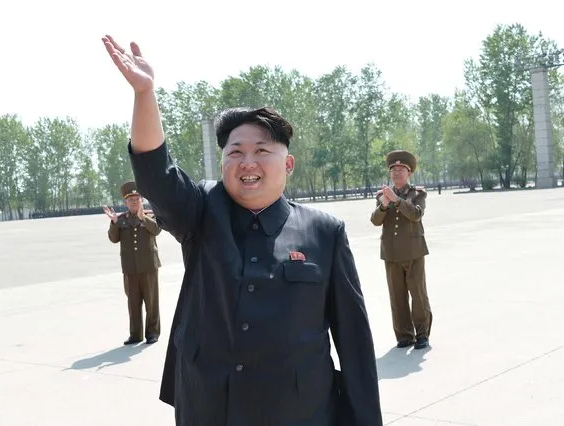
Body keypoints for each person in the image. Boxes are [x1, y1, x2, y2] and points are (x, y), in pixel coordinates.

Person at [102, 34, 383, 426]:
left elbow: (354, 343)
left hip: (299, 413)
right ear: (223, 164)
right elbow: (156, 176)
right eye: (235, 152)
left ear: (288, 165)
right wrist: (145, 94)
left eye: (262, 151)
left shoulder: (324, 232)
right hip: (210, 407)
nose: (247, 161)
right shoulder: (200, 211)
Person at [370, 150, 432, 350]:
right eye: (393, 170)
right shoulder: (382, 195)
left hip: (413, 251)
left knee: (418, 294)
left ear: (409, 173)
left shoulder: (417, 194)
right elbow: (375, 221)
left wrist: (397, 201)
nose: (396, 173)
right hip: (391, 253)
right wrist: (384, 206)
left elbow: (416, 215)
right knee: (397, 297)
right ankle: (404, 335)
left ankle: (422, 334)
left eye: (401, 170)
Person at [104, 181, 162, 345]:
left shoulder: (150, 215)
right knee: (133, 303)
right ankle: (135, 334)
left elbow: (157, 230)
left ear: (141, 200)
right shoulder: (121, 220)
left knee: (152, 302)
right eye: (131, 200)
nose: (134, 202)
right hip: (130, 268)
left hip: (149, 265)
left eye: (137, 199)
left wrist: (143, 218)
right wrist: (114, 223)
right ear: (125, 202)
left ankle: (152, 333)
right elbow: (113, 239)